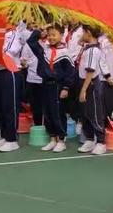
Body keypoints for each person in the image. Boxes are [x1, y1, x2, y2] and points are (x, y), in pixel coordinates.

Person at [27, 24, 76, 153]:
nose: (51, 37)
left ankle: (61, 139)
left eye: (54, 35)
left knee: (58, 113)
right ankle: (52, 138)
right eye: (49, 35)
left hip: (58, 86)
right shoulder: (44, 49)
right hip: (45, 84)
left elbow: (71, 72)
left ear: (61, 35)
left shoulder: (65, 52)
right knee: (47, 112)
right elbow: (31, 42)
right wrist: (40, 31)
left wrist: (66, 88)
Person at [0, 23, 25, 152]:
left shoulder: (13, 34)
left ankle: (12, 139)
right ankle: (4, 136)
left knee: (10, 106)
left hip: (10, 71)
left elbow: (8, 52)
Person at [77, 25, 108, 156]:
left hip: (91, 84)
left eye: (83, 32)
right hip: (85, 82)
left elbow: (90, 71)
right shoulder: (88, 48)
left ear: (88, 33)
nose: (81, 35)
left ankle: (101, 142)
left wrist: (83, 89)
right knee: (86, 113)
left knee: (95, 112)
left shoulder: (93, 51)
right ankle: (89, 139)